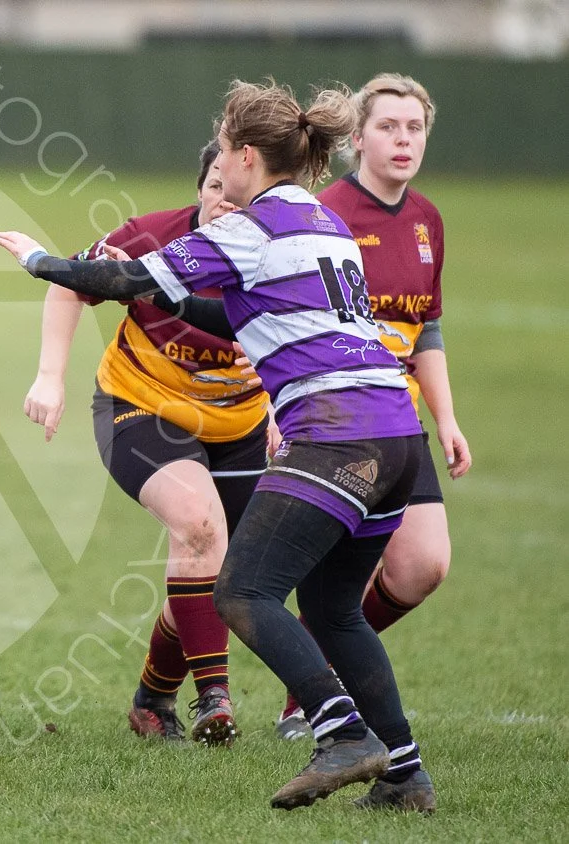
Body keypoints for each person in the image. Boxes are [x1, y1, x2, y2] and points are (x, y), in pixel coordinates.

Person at [0, 78, 434, 813]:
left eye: (223, 146)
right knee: (333, 609)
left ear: (246, 155)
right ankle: (405, 776)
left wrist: (41, 261)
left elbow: (122, 275)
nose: (217, 161)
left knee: (243, 589)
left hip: (337, 436)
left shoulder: (247, 228)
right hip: (396, 435)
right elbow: (236, 319)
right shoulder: (321, 222)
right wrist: (161, 295)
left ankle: (343, 732)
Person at [24, 140, 265, 746]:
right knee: (198, 523)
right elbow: (70, 285)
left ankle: (155, 698)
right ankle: (215, 698)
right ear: (202, 185)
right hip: (140, 406)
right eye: (214, 185)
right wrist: (50, 377)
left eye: (239, 192)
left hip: (242, 427)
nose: (224, 201)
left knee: (224, 573)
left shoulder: (282, 256)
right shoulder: (153, 238)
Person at [272, 75, 470, 759]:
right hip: (329, 417)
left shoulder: (428, 222)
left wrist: (446, 419)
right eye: (389, 126)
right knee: (325, 580)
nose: (404, 139)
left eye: (415, 127)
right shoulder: (324, 211)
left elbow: (427, 329)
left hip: (399, 418)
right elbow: (284, 318)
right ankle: (317, 692)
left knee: (423, 566)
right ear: (357, 138)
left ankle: (320, 678)